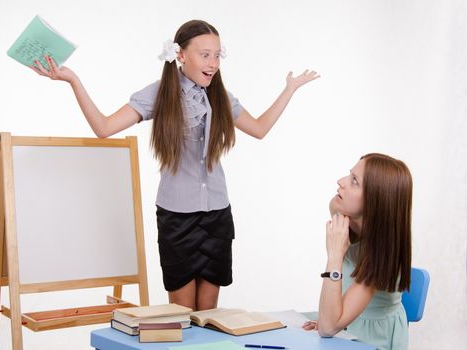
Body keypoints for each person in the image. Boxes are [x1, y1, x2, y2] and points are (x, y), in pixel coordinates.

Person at [31, 19, 319, 311]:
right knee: (183, 316)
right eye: (205, 54)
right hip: (177, 218)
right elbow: (104, 127)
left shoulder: (220, 95)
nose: (214, 62)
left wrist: (290, 90)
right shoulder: (161, 93)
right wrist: (73, 81)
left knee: (207, 318)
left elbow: (259, 128)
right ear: (180, 54)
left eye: (218, 54)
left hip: (217, 216)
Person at [302, 153, 412, 350]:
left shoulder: (382, 254)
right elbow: (333, 204)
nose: (340, 182)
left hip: (371, 339)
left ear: (376, 200)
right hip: (345, 323)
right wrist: (331, 319)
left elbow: (328, 328)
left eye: (354, 181)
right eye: (349, 175)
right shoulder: (349, 222)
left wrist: (335, 256)